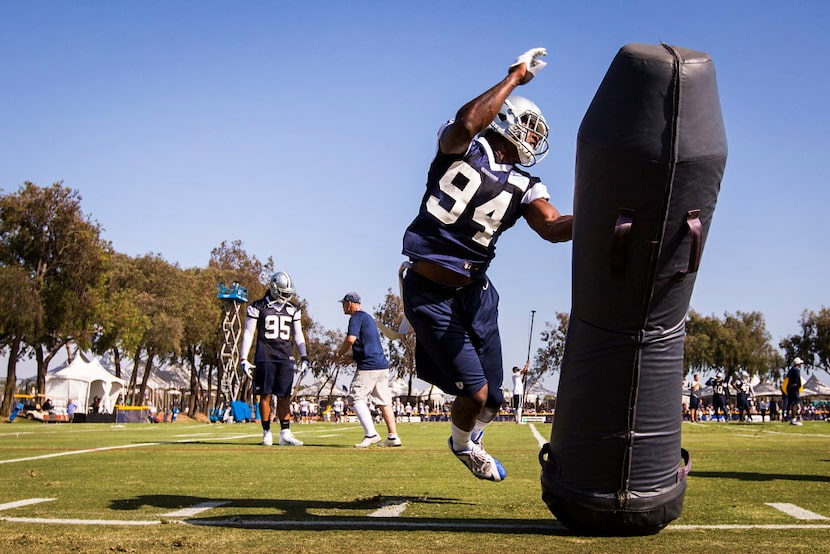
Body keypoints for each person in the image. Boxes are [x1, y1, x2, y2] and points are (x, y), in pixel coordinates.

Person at [400, 47, 573, 481]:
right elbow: (467, 122)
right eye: (530, 132)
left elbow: (552, 227)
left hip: (475, 291)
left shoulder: (527, 183)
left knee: (494, 398)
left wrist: (603, 216)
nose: (533, 142)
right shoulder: (464, 145)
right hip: (430, 289)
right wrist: (514, 77)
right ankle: (462, 445)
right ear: (508, 121)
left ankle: (469, 438)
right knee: (475, 395)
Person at [239, 271, 308, 446]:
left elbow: (299, 335)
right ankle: (266, 432)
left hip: (285, 357)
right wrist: (243, 358)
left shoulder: (293, 309)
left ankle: (285, 433)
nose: (286, 296)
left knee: (285, 396)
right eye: (283, 292)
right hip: (265, 356)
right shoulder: (257, 307)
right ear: (274, 288)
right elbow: (248, 333)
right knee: (265, 395)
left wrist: (305, 357)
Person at [334, 292, 402, 448]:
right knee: (384, 402)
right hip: (381, 365)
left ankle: (371, 434)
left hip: (369, 366)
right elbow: (368, 344)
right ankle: (393, 437)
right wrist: (353, 357)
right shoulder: (369, 318)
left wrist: (340, 353)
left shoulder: (356, 317)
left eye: (343, 304)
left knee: (355, 398)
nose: (343, 307)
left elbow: (351, 339)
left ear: (350, 303)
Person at [786, 357, 804, 425]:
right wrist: (798, 386)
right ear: (798, 364)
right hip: (794, 387)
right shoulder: (797, 370)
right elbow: (798, 378)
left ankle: (791, 418)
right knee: (795, 403)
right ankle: (794, 419)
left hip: (789, 387)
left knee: (791, 403)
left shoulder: (791, 370)